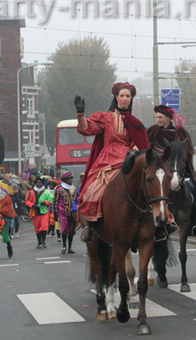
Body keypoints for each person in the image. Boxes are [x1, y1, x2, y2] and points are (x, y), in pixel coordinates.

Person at [74, 82, 175, 242]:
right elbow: (87, 129)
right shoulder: (105, 118)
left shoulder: (135, 122)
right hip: (107, 161)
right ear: (116, 97)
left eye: (128, 96)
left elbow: (141, 143)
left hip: (129, 159)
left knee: (154, 184)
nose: (125, 99)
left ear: (131, 98)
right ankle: (91, 226)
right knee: (92, 189)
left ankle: (164, 222)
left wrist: (134, 150)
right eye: (122, 96)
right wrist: (81, 114)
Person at [147, 103, 196, 236]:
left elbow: (189, 151)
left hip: (179, 169)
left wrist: (184, 161)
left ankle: (195, 223)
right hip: (158, 169)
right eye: (157, 117)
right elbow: (146, 150)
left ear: (168, 117)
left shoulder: (181, 132)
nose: (158, 120)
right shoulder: (152, 131)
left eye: (161, 117)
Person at [25, 176, 52, 249]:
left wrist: (46, 203)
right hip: (35, 212)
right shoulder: (30, 192)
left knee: (44, 227)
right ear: (35, 183)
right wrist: (32, 205)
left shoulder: (47, 192)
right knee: (37, 228)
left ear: (43, 183)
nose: (39, 184)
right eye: (37, 182)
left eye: (40, 182)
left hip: (44, 212)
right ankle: (39, 242)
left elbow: (51, 199)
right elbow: (27, 201)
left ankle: (43, 242)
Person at [55, 171, 77, 254]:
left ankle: (70, 247)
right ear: (65, 180)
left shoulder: (73, 188)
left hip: (72, 213)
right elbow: (55, 201)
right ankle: (64, 246)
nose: (71, 180)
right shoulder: (59, 189)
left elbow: (75, 200)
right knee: (64, 229)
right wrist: (55, 213)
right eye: (69, 179)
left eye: (72, 178)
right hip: (62, 213)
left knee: (71, 230)